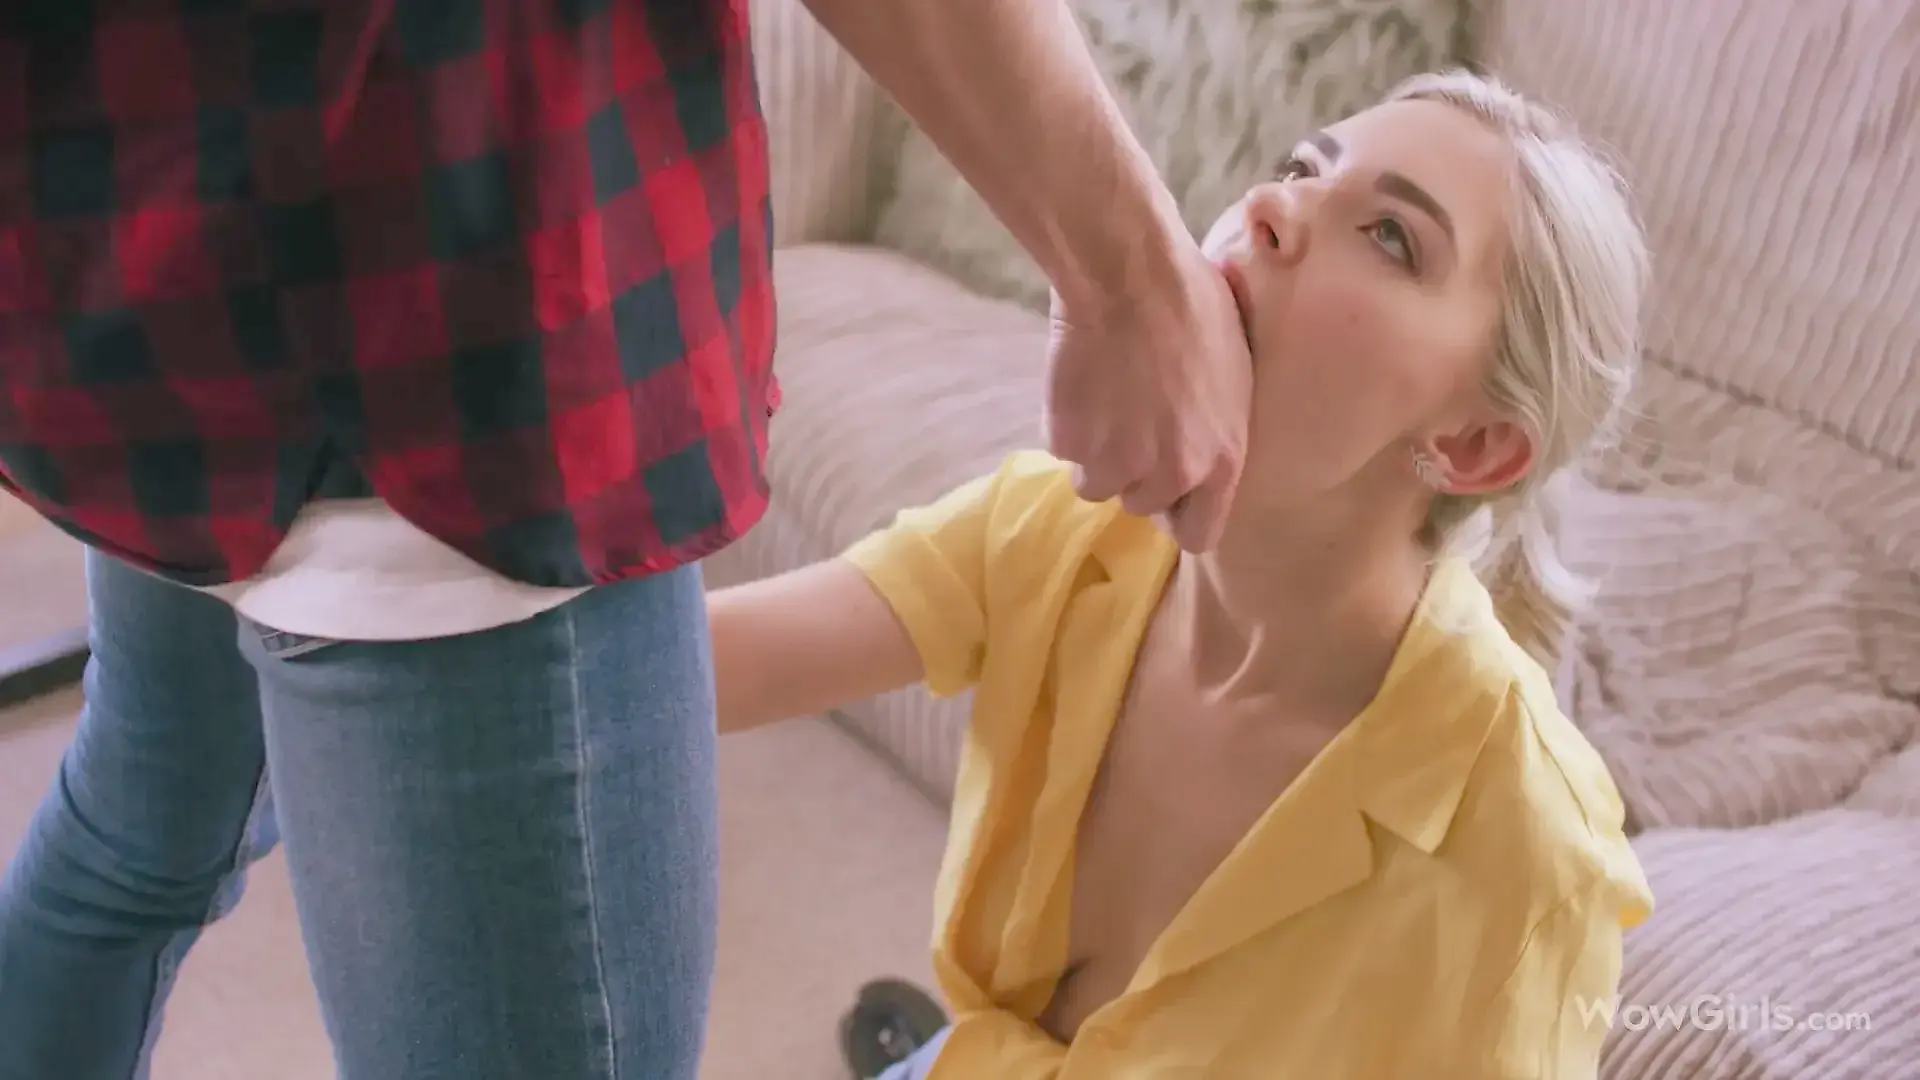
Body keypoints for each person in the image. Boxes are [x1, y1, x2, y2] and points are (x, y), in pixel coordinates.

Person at [0, 1, 1247, 1078]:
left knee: (133, 844)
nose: (1276, 214)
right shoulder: (1035, 532)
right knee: (134, 844)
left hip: (143, 278)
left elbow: (755, 658)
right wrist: (1132, 279)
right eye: (1301, 164)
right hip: (454, 335)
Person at [709, 70, 1656, 1080]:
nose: (1274, 206)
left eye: (1391, 237)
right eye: (1302, 167)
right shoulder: (1061, 528)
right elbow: (696, 671)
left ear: (1471, 446)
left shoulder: (1525, 851)